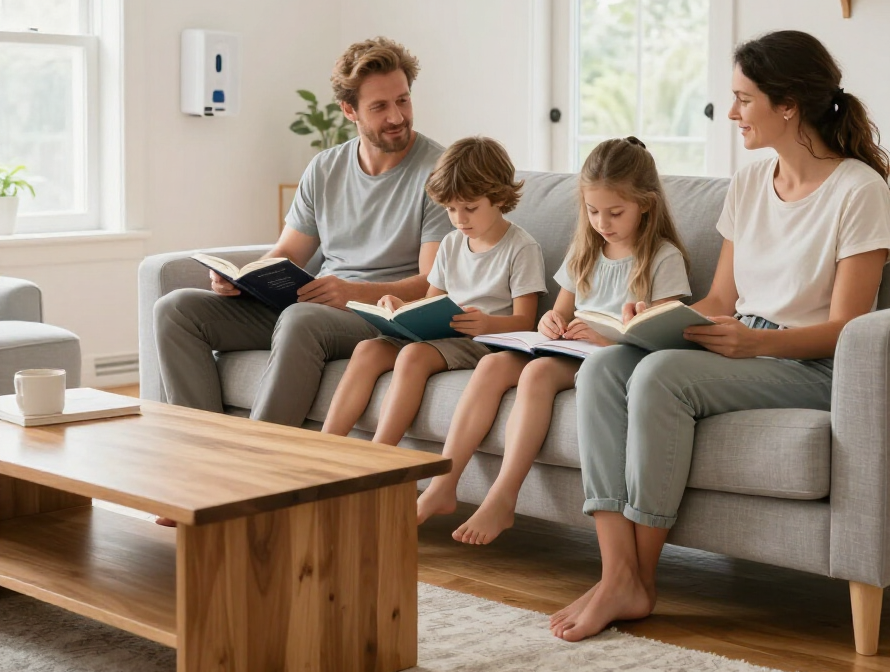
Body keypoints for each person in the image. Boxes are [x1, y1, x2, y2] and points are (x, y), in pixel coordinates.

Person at [551, 30, 890, 642]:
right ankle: (617, 571)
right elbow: (719, 302)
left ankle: (640, 580)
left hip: (812, 362)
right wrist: (650, 315)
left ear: (786, 105)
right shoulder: (748, 183)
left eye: (743, 99)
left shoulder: (858, 192)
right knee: (604, 367)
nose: (732, 112)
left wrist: (756, 343)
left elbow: (849, 328)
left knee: (661, 377)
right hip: (744, 339)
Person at [153, 37, 453, 427]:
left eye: (403, 100)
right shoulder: (325, 168)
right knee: (175, 310)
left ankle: (264, 462)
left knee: (301, 319)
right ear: (350, 110)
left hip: (379, 315)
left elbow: (431, 284)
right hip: (317, 305)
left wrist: (351, 293)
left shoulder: (440, 172)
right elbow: (289, 252)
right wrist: (243, 279)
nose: (397, 116)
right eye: (380, 106)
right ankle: (208, 452)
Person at [417, 136, 691, 544]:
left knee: (538, 374)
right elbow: (560, 309)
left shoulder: (662, 257)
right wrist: (550, 322)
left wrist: (605, 338)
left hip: (612, 358)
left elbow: (666, 333)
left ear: (646, 205)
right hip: (569, 349)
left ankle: (503, 496)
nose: (602, 223)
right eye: (593, 211)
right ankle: (444, 481)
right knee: (493, 364)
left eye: (615, 212)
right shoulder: (586, 250)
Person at [321, 136, 548, 445]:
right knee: (367, 350)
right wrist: (399, 307)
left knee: (414, 356)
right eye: (451, 209)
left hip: (481, 341)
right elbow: (431, 302)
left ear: (498, 197)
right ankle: (324, 446)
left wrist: (487, 323)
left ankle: (380, 455)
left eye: (470, 208)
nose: (459, 219)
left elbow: (526, 321)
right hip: (441, 336)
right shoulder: (451, 243)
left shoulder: (521, 247)